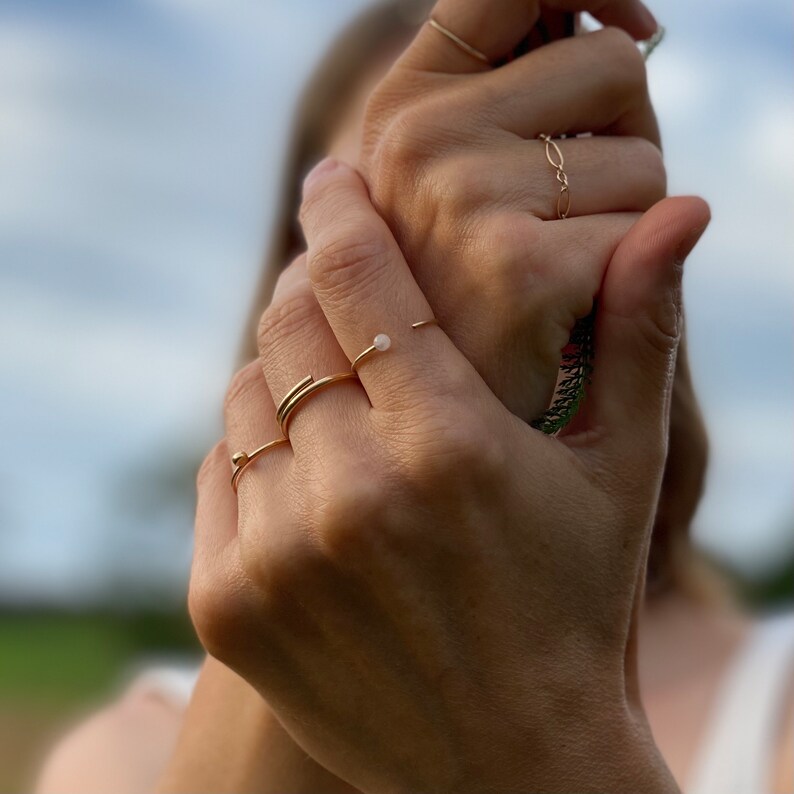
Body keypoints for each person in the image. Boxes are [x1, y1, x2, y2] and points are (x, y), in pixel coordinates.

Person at [35, 1, 794, 792]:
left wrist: (549, 732)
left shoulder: (776, 712)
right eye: (384, 228)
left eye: (527, 212)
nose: (483, 275)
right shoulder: (127, 756)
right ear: (294, 273)